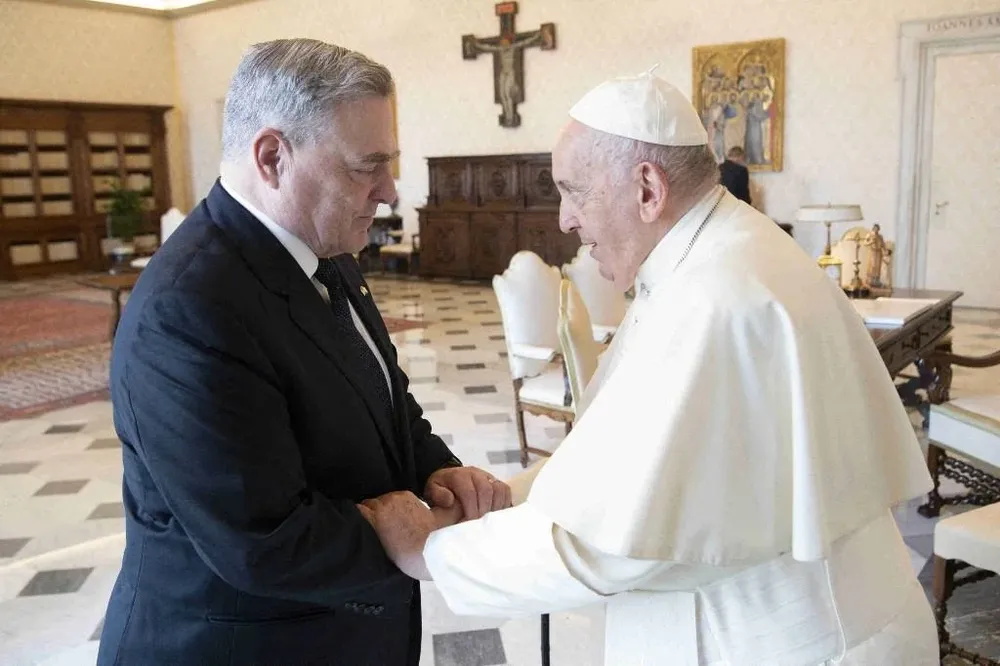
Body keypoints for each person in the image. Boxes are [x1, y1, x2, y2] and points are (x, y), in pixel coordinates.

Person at [364, 70, 939, 665]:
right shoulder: (713, 254)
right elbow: (626, 466)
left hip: (800, 643)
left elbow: (611, 545)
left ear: (647, 189)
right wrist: (511, 499)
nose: (564, 218)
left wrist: (433, 551)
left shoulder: (717, 296)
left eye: (573, 189)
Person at [97, 38, 508, 666]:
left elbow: (386, 399)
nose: (390, 192)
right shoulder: (189, 310)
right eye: (366, 166)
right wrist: (390, 534)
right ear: (272, 157)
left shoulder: (327, 252)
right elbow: (259, 539)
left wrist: (436, 471)